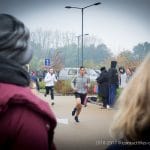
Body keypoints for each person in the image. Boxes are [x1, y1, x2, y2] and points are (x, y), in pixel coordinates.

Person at [0, 14, 57, 150]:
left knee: (51, 92)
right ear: (24, 56)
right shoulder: (24, 112)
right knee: (48, 92)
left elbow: (53, 79)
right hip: (45, 86)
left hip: (50, 85)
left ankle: (52, 97)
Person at [107, 54, 150, 150]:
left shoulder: (111, 70)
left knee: (112, 95)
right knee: (112, 94)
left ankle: (110, 104)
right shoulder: (114, 71)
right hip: (114, 85)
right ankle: (111, 104)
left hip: (113, 85)